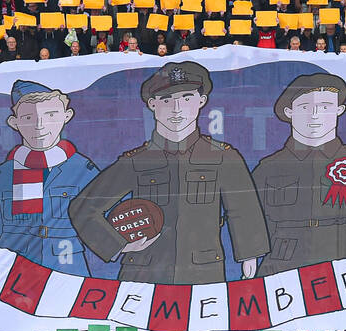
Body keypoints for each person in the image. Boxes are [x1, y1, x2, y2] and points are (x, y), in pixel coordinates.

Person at [69, 61, 270, 284]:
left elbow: (243, 209)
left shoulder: (223, 157)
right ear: (152, 104)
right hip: (144, 273)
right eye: (166, 100)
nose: (177, 109)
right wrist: (117, 244)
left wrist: (249, 257)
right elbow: (84, 208)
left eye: (186, 98)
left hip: (202, 273)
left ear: (202, 101)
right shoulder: (136, 161)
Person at [251, 73, 346, 276]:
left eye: (325, 107)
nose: (314, 115)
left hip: (338, 253)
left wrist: (340, 231)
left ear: (339, 110)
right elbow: (251, 213)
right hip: (284, 257)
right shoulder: (269, 167)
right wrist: (281, 236)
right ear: (289, 112)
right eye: (304, 107)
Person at [0, 80, 100, 275]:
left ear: (66, 116)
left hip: (66, 258)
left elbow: (103, 207)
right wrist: (14, 231)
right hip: (17, 256)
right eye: (28, 117)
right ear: (14, 123)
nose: (39, 126)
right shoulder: (7, 171)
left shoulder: (81, 168)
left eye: (50, 115)